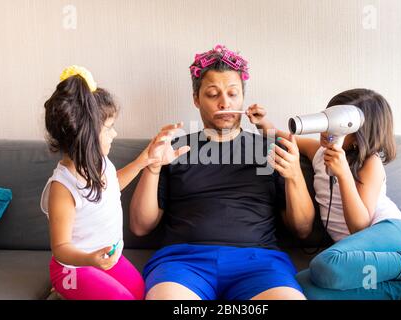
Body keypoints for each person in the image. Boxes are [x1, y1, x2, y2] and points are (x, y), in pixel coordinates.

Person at [130, 45, 314, 300]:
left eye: (232, 93)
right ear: (196, 99)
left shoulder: (270, 149)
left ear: (242, 99)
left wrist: (294, 176)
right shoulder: (173, 150)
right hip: (183, 264)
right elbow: (140, 226)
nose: (224, 102)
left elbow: (303, 229)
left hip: (258, 264)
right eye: (213, 94)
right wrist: (151, 167)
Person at [249, 88, 401, 300]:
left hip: (391, 238)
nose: (325, 129)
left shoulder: (370, 164)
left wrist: (343, 174)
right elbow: (282, 139)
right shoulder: (317, 152)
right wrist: (263, 123)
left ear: (359, 134)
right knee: (302, 287)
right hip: (359, 263)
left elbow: (359, 226)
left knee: (325, 264)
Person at [40, 65, 166, 300]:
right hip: (74, 268)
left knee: (141, 293)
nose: (115, 134)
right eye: (109, 128)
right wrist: (89, 260)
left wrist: (143, 161)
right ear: (86, 135)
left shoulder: (101, 162)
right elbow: (61, 248)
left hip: (106, 259)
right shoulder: (62, 188)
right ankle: (62, 292)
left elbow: (109, 189)